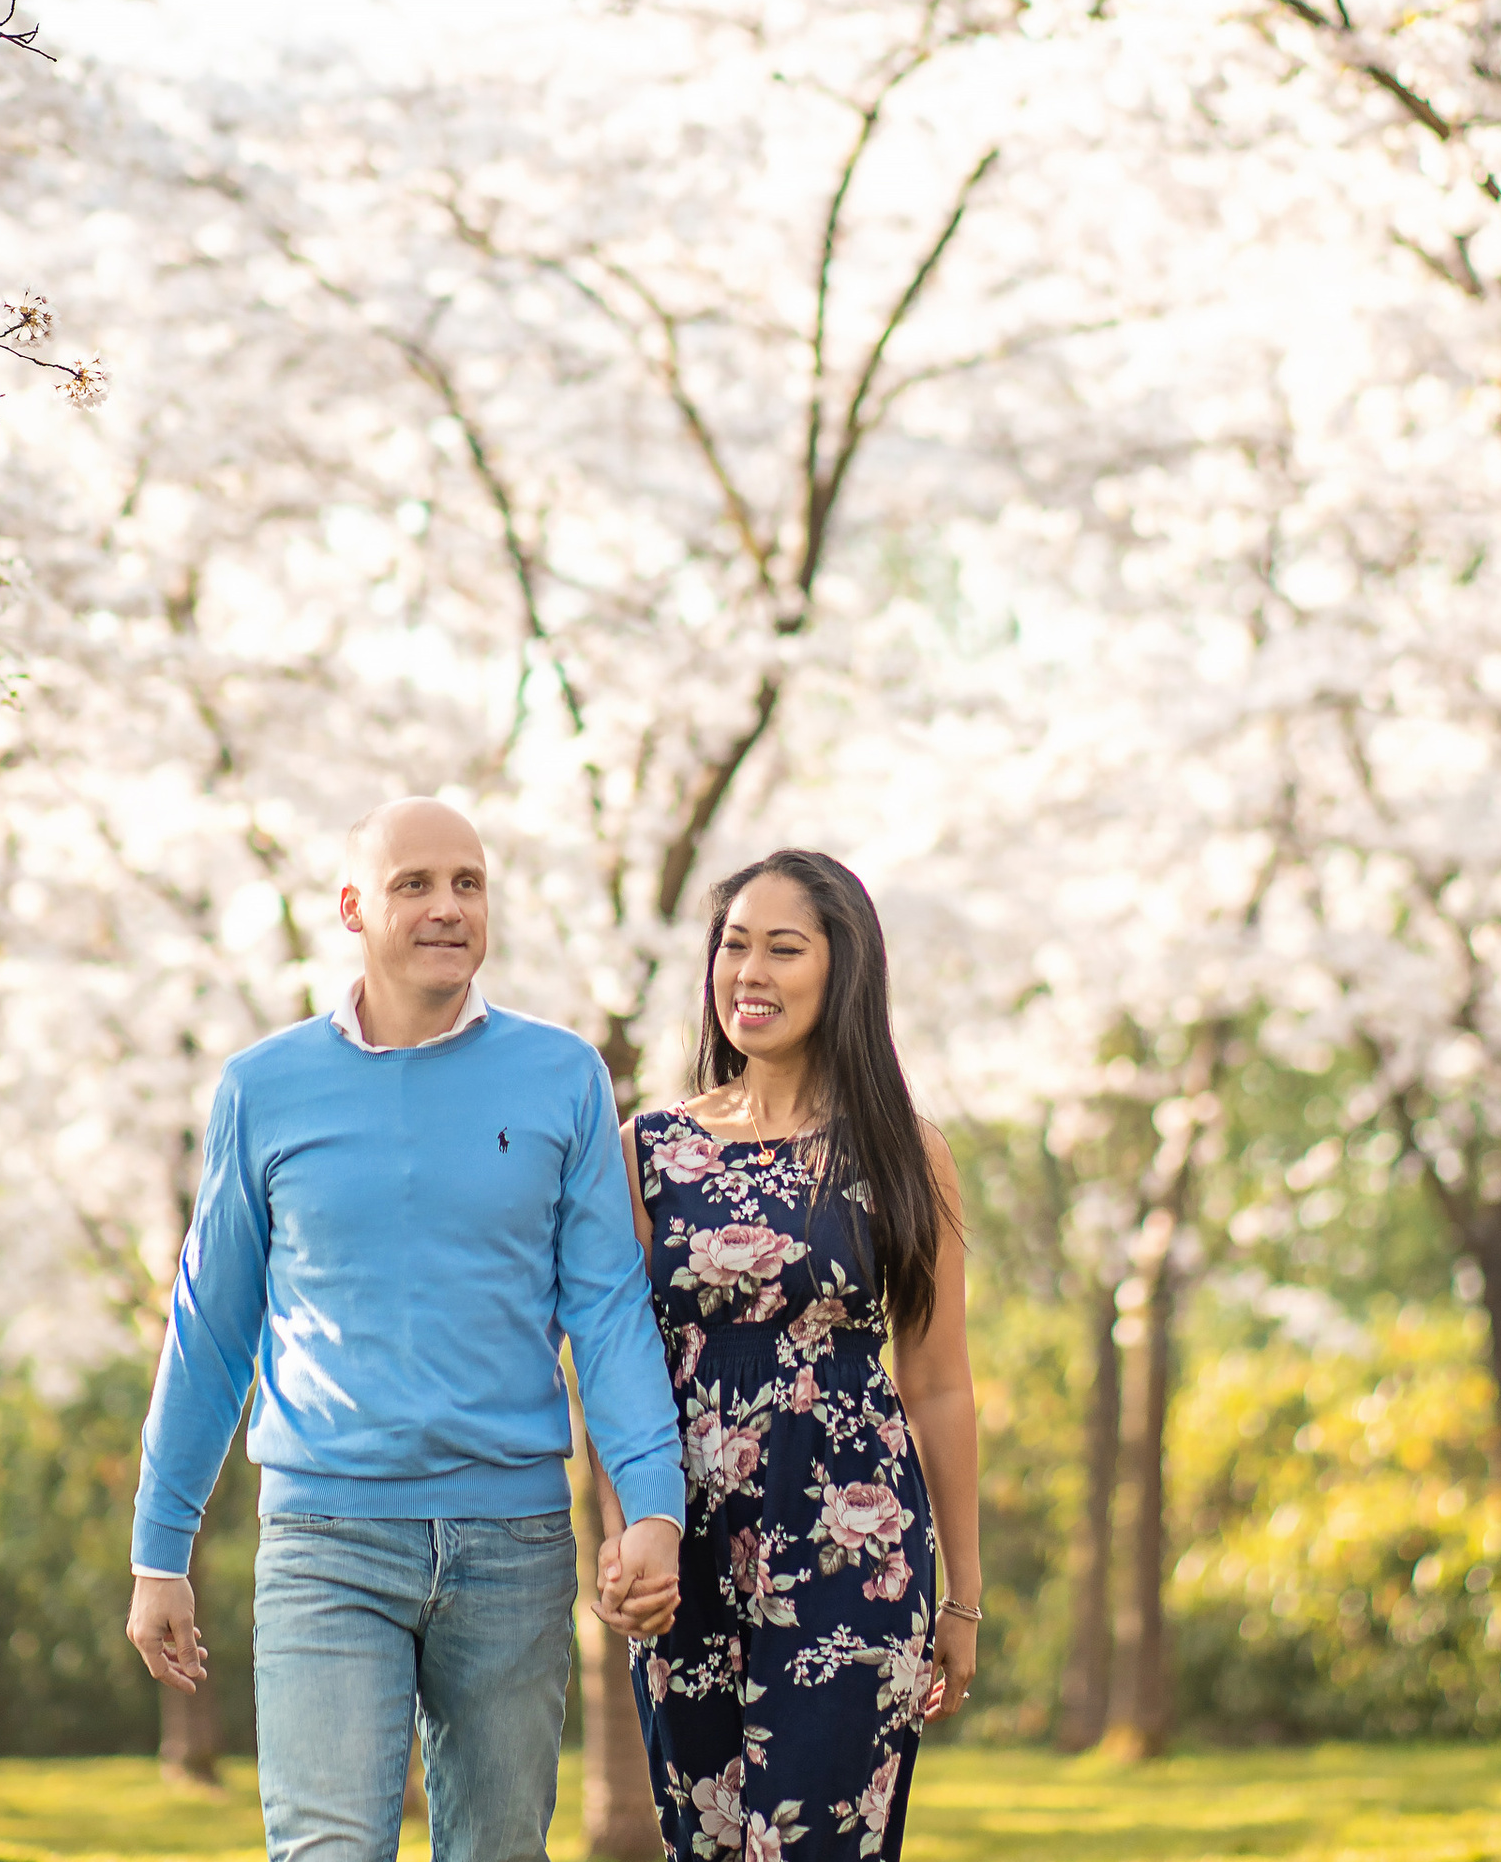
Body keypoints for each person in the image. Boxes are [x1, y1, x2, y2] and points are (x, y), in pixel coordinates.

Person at [125, 797, 686, 1862]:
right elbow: (211, 1328)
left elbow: (609, 1312)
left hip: (512, 1545)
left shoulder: (562, 1073)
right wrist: (162, 1548)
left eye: (467, 883)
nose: (446, 907)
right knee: (327, 1849)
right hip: (325, 1539)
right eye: (413, 884)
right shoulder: (264, 1087)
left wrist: (649, 1506)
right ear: (352, 908)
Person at [593, 848, 982, 1862]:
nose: (748, 973)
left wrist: (963, 1597)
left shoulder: (902, 1149)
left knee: (817, 1842)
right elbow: (602, 1357)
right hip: (690, 1546)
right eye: (732, 946)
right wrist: (627, 1535)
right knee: (708, 1840)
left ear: (840, 969)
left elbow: (938, 1382)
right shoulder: (647, 1148)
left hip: (857, 1544)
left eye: (782, 948)